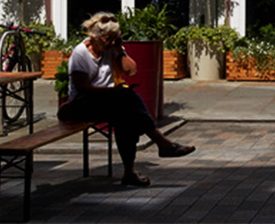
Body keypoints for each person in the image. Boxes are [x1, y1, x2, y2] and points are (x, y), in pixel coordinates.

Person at [58, 11, 195, 187]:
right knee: (127, 98)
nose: (110, 42)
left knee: (126, 119)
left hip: (111, 102)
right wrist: (112, 94)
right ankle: (162, 144)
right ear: (96, 37)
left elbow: (131, 71)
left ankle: (130, 172)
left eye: (113, 38)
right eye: (107, 39)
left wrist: (118, 50)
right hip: (84, 103)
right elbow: (82, 87)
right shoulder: (81, 54)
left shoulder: (112, 49)